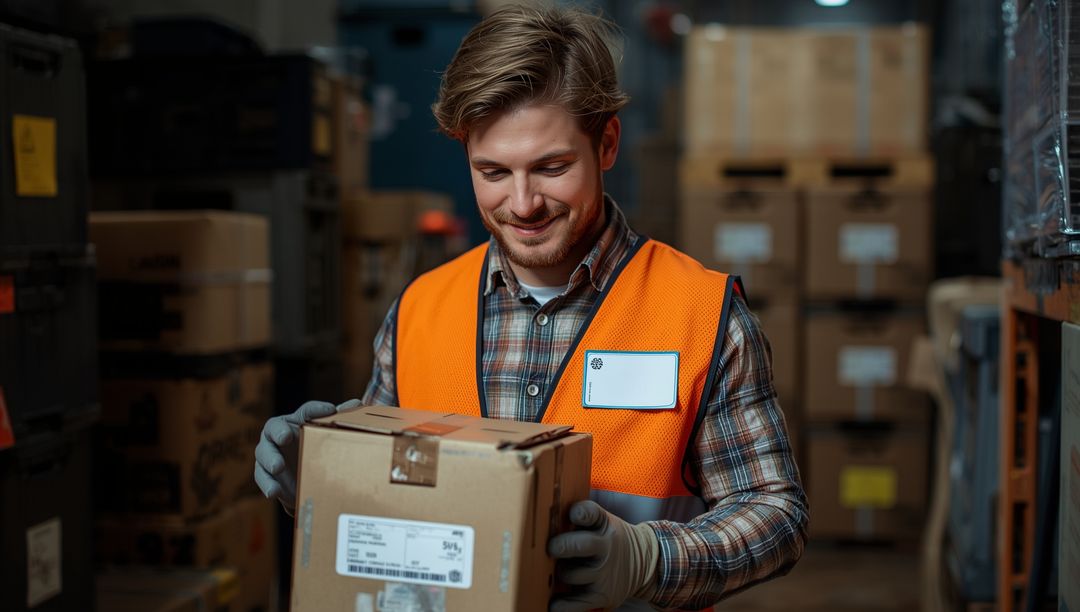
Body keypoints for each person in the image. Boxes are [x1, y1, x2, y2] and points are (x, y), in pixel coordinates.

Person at [255, 4, 807, 610]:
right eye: (492, 171)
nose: (522, 204)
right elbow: (395, 495)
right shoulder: (419, 310)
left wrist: (649, 559)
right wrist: (321, 479)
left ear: (608, 144)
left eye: (551, 167)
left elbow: (775, 514)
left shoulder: (702, 313)